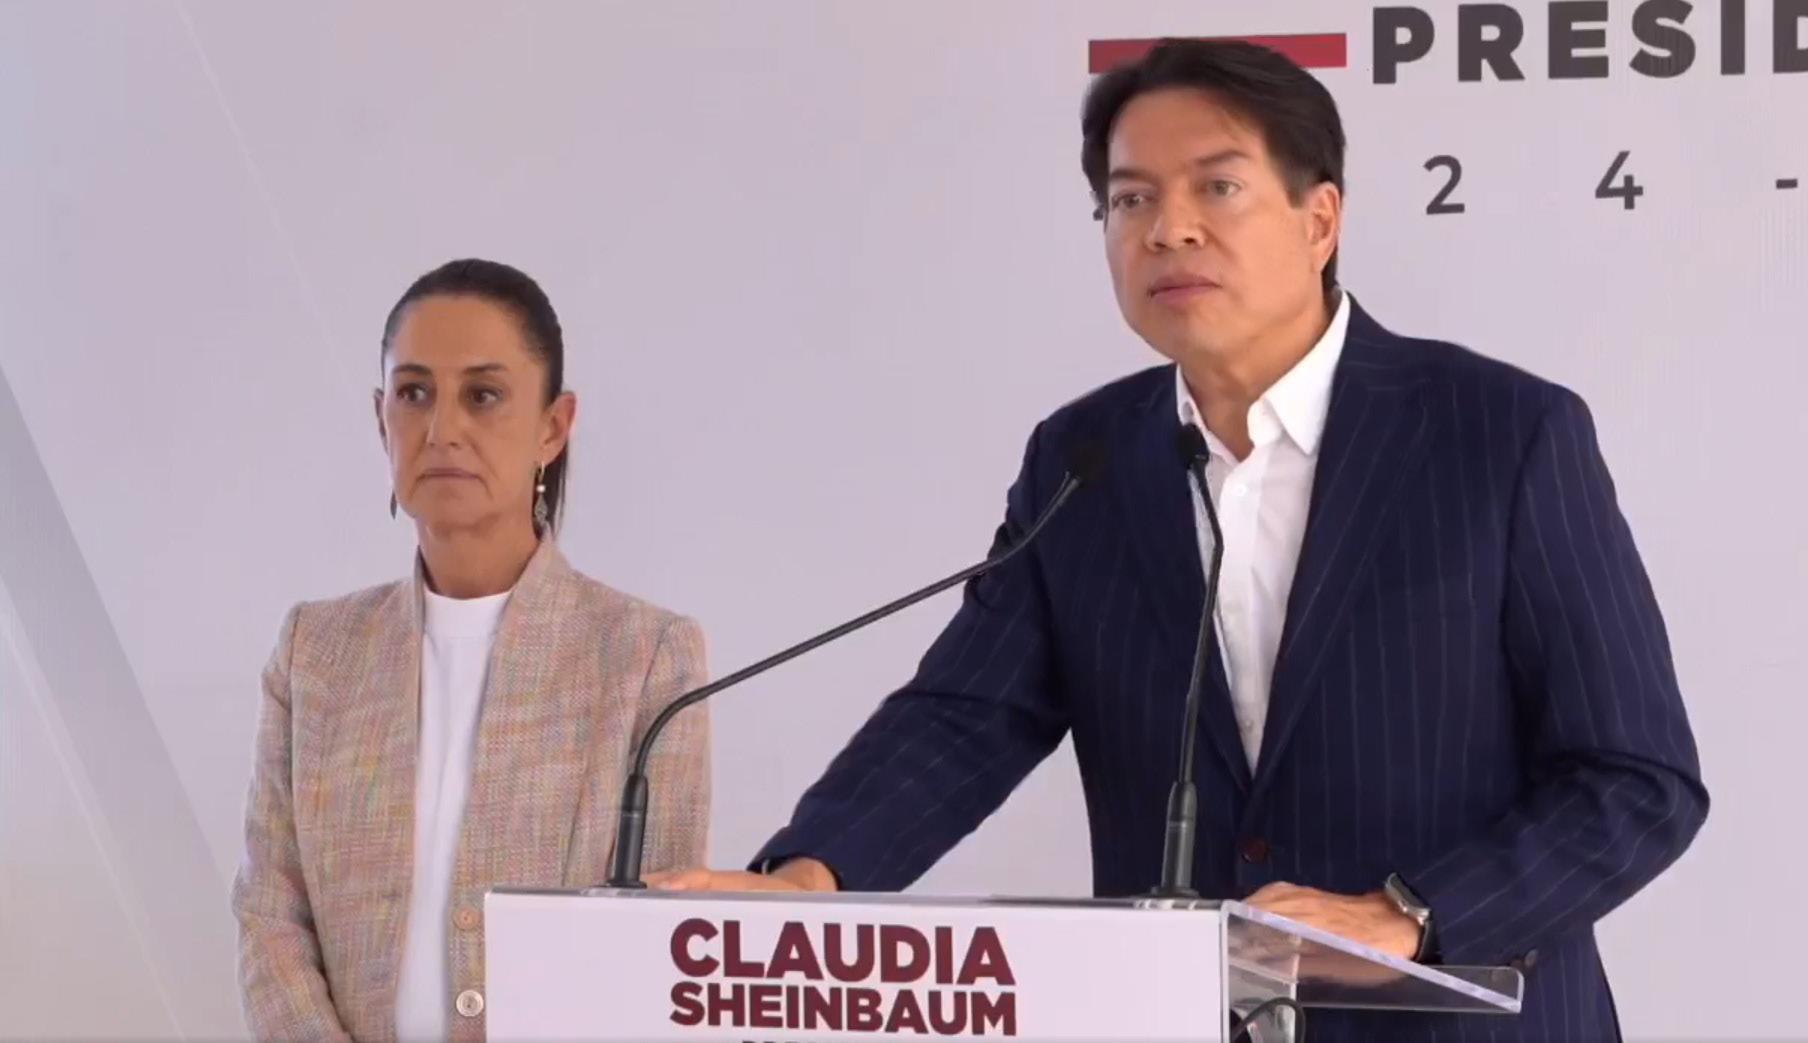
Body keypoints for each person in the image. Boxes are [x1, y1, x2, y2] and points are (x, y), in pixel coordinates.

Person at [651, 40, 1707, 1041]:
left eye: (1217, 187)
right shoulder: (1084, 458)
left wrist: (1410, 912)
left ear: (1318, 219)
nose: (1166, 229)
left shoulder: (1500, 433)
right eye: (1130, 200)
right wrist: (810, 876)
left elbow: (1633, 777)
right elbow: (967, 715)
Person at [231, 259, 710, 1042]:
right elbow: (268, 914)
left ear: (553, 426)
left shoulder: (644, 656)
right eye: (414, 393)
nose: (442, 428)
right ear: (380, 417)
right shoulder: (314, 651)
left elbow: (652, 948)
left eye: (482, 395)